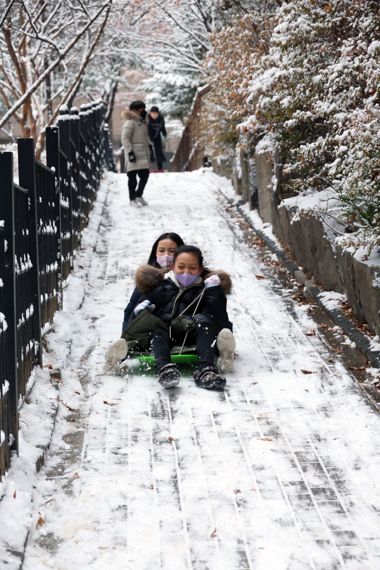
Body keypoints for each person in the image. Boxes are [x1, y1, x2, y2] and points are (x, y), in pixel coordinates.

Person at [128, 245, 235, 390]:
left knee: (204, 322)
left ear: (200, 269)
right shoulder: (161, 287)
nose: (186, 272)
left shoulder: (204, 290)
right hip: (166, 334)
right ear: (173, 267)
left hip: (193, 335)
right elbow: (139, 320)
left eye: (192, 268)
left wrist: (214, 292)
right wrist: (141, 311)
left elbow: (220, 319)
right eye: (181, 267)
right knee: (157, 330)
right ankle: (165, 369)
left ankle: (206, 370)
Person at [104, 232, 184, 373]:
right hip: (154, 332)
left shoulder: (190, 276)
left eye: (172, 251)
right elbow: (129, 310)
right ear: (155, 253)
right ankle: (123, 350)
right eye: (161, 251)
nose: (166, 255)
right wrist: (125, 335)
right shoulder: (147, 280)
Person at [121, 100, 151, 207]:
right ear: (135, 110)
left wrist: (149, 147)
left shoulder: (142, 122)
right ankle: (132, 199)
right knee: (132, 178)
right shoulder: (129, 123)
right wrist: (130, 152)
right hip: (133, 153)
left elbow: (144, 138)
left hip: (143, 153)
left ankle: (139, 195)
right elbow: (125, 138)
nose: (143, 111)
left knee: (145, 176)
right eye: (141, 109)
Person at [148, 106, 167, 172]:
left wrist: (164, 134)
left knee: (159, 151)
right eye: (152, 114)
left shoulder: (161, 119)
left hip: (157, 136)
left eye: (156, 114)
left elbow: (162, 127)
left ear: (158, 113)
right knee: (150, 152)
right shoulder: (147, 119)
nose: (154, 115)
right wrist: (150, 139)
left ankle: (160, 168)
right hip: (148, 137)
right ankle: (149, 168)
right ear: (150, 113)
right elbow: (147, 130)